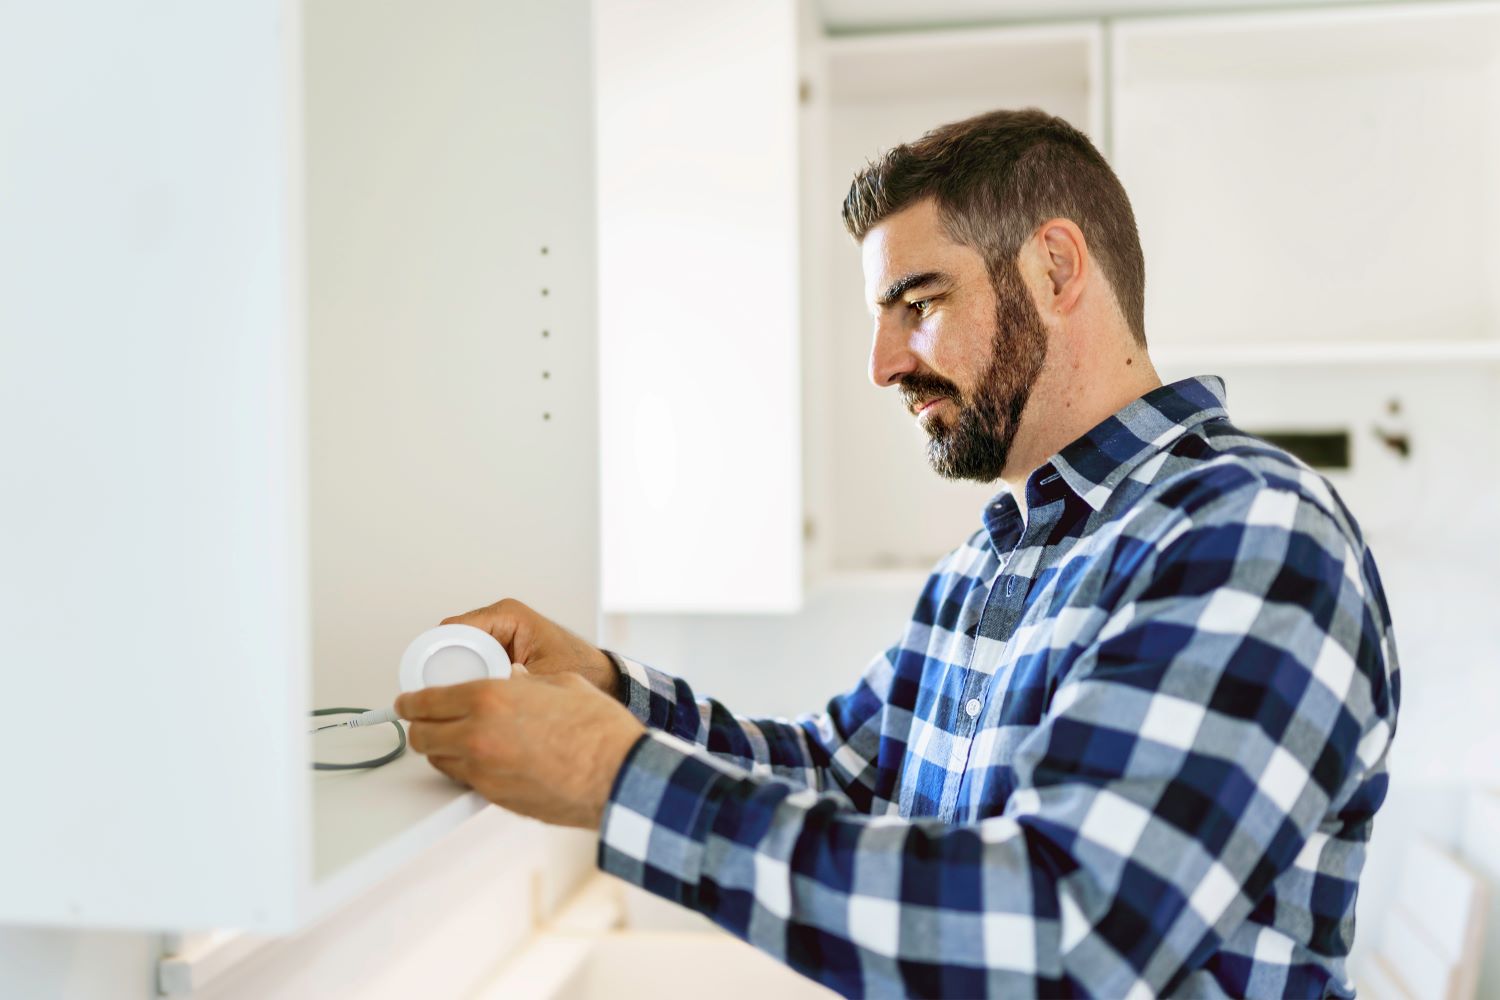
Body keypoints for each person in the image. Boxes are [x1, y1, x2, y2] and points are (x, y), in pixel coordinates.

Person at [395, 108, 1399, 998]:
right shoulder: (998, 559)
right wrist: (607, 689)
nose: (882, 365)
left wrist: (613, 778)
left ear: (1056, 268)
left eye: (918, 302)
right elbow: (840, 773)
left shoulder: (1248, 532)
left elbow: (1069, 943)